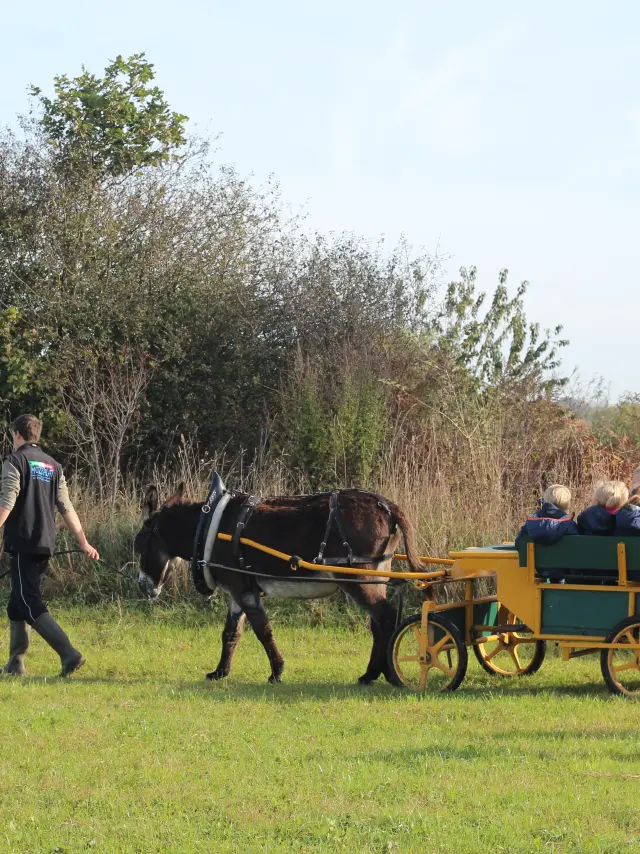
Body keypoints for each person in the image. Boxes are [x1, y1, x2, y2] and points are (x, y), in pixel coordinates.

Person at [0, 414, 100, 676]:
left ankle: (69, 654)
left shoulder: (15, 461)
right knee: (17, 601)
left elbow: (7, 502)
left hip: (24, 541)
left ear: (18, 435)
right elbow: (66, 507)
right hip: (45, 543)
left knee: (27, 600)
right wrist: (83, 541)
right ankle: (15, 663)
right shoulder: (54, 466)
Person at [515, 484, 579, 547]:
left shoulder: (530, 523)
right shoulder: (570, 525)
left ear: (545, 501)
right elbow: (579, 546)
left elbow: (519, 543)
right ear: (567, 505)